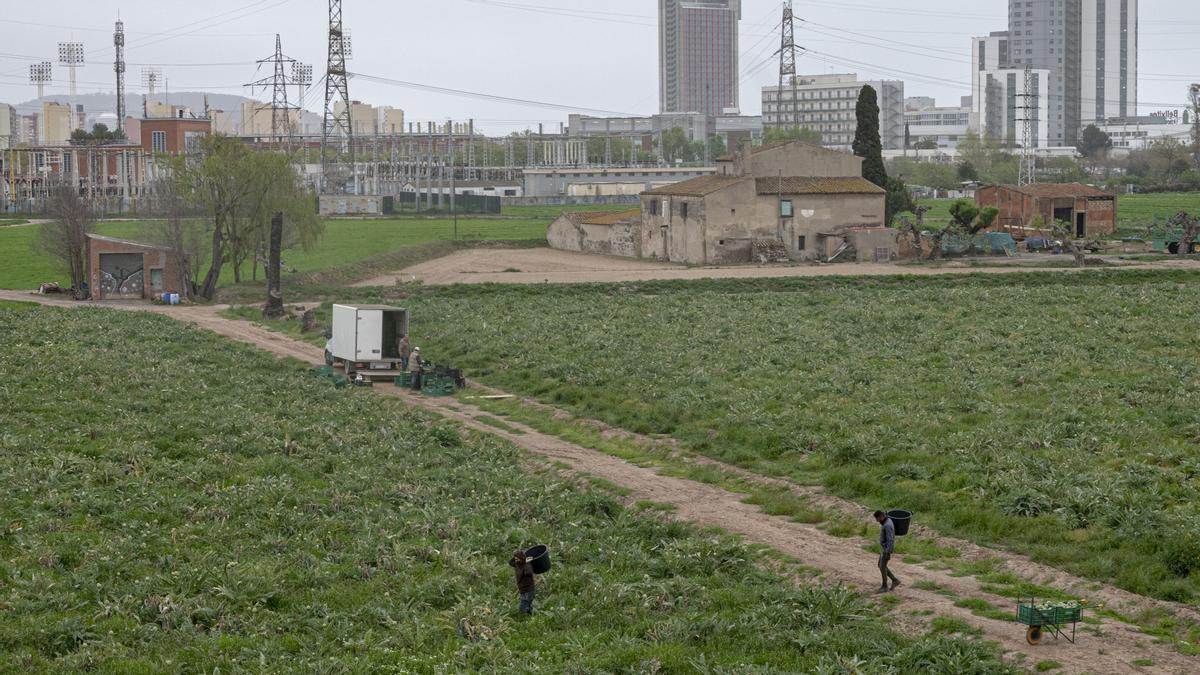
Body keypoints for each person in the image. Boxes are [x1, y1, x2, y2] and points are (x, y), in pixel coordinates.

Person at [874, 510, 900, 592]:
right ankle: (895, 580)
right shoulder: (887, 521)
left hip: (886, 549)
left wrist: (887, 551)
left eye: (877, 519)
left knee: (882, 566)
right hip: (885, 548)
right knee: (881, 565)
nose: (877, 521)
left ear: (881, 516)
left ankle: (885, 586)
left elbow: (890, 539)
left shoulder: (887, 525)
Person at [509, 550, 535, 614]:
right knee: (526, 601)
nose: (516, 560)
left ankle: (527, 613)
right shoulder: (518, 564)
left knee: (528, 601)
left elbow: (528, 573)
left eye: (517, 559)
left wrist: (525, 561)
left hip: (525, 587)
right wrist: (518, 556)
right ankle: (523, 615)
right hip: (525, 587)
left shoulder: (521, 565)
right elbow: (510, 562)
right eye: (515, 559)